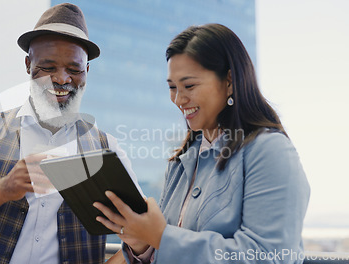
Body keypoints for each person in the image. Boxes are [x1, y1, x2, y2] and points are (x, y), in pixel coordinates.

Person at [0, 3, 141, 263]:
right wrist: (3, 189)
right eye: (48, 67)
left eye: (74, 69)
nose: (62, 79)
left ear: (87, 71)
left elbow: (140, 235)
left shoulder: (106, 148)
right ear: (28, 64)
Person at [96, 23, 310, 264]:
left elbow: (271, 256)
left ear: (229, 81)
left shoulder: (270, 151)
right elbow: (164, 251)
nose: (178, 98)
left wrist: (161, 237)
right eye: (172, 87)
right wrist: (143, 245)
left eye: (189, 86)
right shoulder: (182, 159)